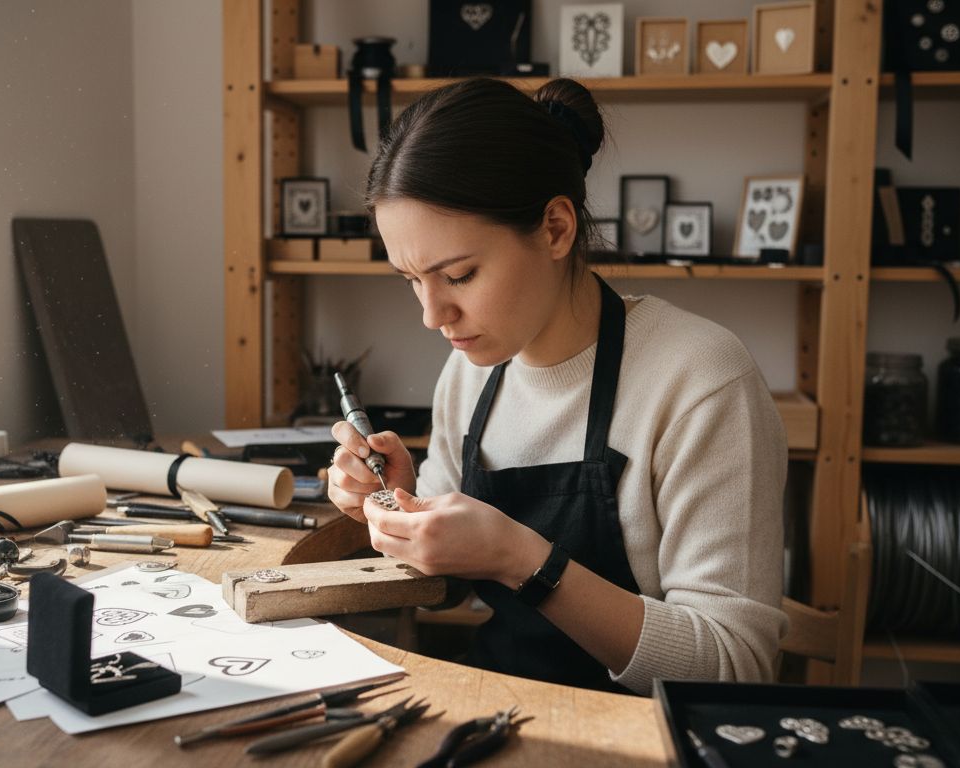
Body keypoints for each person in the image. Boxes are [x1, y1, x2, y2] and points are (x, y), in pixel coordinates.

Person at [327, 77, 788, 695]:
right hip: (503, 707)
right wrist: (400, 507)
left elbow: (734, 668)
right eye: (412, 279)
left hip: (645, 730)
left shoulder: (700, 380)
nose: (432, 315)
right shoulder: (469, 372)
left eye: (458, 275)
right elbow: (447, 589)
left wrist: (522, 560)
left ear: (555, 228)